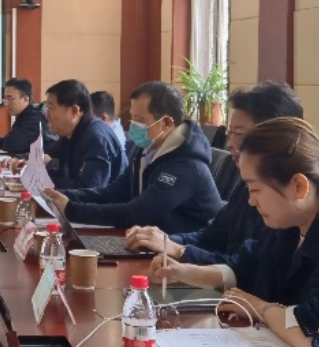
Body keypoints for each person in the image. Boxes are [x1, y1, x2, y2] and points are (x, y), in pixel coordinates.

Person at [148, 117, 319, 347]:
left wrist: (260, 308)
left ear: (298, 186)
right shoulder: (292, 224)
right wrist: (184, 272)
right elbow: (245, 267)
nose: (250, 201)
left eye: (255, 189)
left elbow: (309, 331)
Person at [127, 81, 303, 264]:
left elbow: (246, 267)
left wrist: (179, 250)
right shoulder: (245, 186)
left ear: (277, 138)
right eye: (230, 133)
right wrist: (163, 241)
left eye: (239, 134)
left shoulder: (285, 199)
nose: (230, 144)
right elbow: (210, 238)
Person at [43, 81, 221, 234]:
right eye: (133, 119)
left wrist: (71, 209)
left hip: (185, 252)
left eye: (140, 121)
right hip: (150, 241)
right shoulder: (148, 151)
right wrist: (59, 196)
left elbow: (137, 213)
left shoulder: (186, 166)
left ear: (167, 123)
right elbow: (111, 194)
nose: (134, 127)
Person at [42, 79, 125, 190]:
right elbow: (47, 156)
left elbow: (89, 191)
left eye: (51, 108)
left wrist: (45, 186)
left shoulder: (96, 138)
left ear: (74, 111)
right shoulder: (70, 133)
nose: (47, 116)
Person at [0, 78, 52, 154]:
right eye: (5, 99)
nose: (6, 104)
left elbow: (12, 144)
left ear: (25, 99)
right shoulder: (26, 114)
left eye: (11, 99)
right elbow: (13, 138)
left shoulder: (34, 119)